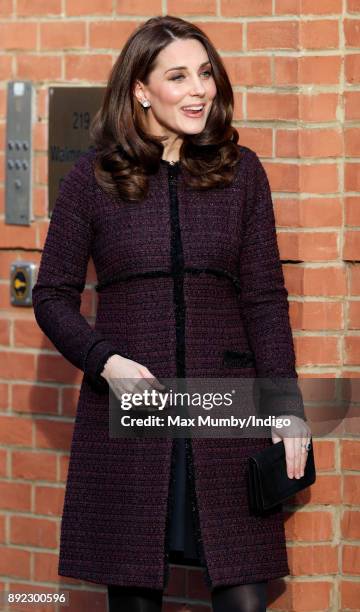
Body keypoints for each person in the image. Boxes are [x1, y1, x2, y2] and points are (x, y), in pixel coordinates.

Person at [32, 15, 312, 612]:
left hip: (226, 414)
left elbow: (264, 298)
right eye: (178, 76)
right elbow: (52, 295)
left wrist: (286, 408)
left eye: (205, 74)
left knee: (245, 599)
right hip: (134, 413)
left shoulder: (243, 174)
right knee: (133, 598)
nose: (198, 90)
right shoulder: (92, 179)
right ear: (140, 89)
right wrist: (106, 363)